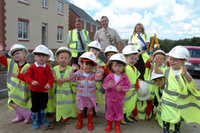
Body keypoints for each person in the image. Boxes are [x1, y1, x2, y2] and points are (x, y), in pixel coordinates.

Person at [154, 45, 200, 133]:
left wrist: (185, 74)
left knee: (178, 119)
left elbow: (190, 81)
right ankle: (166, 130)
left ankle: (177, 130)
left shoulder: (183, 72)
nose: (172, 62)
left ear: (182, 61)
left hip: (178, 102)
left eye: (175, 60)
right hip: (167, 101)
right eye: (171, 59)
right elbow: (157, 71)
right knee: (166, 117)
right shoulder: (167, 70)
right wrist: (156, 63)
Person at [69, 52, 102, 131]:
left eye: (91, 65)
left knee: (90, 110)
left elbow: (98, 78)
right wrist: (71, 71)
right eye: (86, 64)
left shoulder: (93, 74)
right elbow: (72, 80)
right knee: (80, 109)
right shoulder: (78, 73)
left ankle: (89, 123)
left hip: (90, 96)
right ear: (82, 65)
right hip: (81, 96)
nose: (88, 67)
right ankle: (80, 122)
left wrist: (97, 69)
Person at [24, 45, 54, 129]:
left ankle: (42, 119)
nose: (41, 58)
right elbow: (26, 76)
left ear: (47, 58)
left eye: (43, 56)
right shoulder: (32, 67)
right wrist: (32, 81)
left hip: (44, 91)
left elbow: (51, 78)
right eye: (39, 56)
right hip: (35, 91)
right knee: (35, 106)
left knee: (43, 105)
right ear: (35, 57)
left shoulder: (47, 68)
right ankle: (35, 120)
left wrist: (49, 83)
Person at [0, 44, 32, 124]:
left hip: (22, 91)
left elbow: (28, 79)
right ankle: (20, 116)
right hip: (14, 90)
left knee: (11, 103)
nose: (15, 56)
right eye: (14, 55)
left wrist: (18, 76)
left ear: (24, 54)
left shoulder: (28, 67)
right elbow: (2, 59)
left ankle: (26, 114)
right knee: (16, 104)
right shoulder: (11, 63)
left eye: (17, 53)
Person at [103, 53, 131, 133]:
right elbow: (104, 85)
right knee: (109, 113)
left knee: (118, 113)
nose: (117, 68)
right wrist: (108, 86)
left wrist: (121, 88)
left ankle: (117, 127)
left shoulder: (125, 77)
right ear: (111, 66)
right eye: (115, 66)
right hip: (110, 99)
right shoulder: (109, 76)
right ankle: (109, 126)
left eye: (120, 66)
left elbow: (128, 87)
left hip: (119, 100)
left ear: (123, 67)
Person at [53, 47, 77, 122]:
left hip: (67, 90)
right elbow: (52, 77)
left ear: (69, 59)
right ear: (57, 59)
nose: (63, 59)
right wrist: (56, 79)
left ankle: (66, 114)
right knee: (59, 102)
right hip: (58, 90)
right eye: (61, 58)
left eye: (65, 58)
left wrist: (63, 80)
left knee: (67, 103)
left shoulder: (70, 68)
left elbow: (72, 78)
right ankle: (59, 114)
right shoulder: (55, 68)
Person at [121, 45, 140, 125]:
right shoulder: (124, 68)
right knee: (123, 105)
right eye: (131, 58)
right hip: (125, 91)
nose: (134, 60)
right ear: (125, 57)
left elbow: (136, 78)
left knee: (129, 104)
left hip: (132, 91)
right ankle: (121, 117)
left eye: (135, 58)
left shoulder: (134, 68)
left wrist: (137, 86)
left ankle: (126, 116)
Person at [45, 49, 55, 116]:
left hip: (50, 90)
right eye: (46, 62)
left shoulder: (51, 69)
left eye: (49, 62)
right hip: (42, 89)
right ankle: (44, 111)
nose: (47, 63)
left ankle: (48, 111)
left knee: (49, 100)